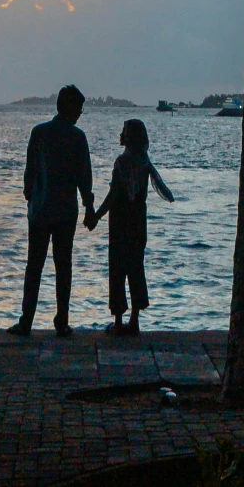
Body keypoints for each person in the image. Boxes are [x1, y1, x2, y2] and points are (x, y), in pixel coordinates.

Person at [10, 84, 93, 339]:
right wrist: (89, 206)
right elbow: (84, 177)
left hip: (40, 210)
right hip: (65, 212)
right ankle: (62, 321)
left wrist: (29, 195)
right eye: (79, 108)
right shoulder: (77, 137)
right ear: (69, 108)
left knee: (33, 266)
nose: (80, 113)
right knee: (63, 266)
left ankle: (26, 321)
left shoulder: (39, 133)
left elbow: (30, 170)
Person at [87, 117, 174, 337]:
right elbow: (161, 189)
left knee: (117, 269)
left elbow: (113, 195)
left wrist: (96, 215)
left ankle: (118, 321)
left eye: (124, 131)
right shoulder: (145, 161)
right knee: (136, 267)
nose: (120, 135)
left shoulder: (121, 162)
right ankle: (134, 319)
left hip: (120, 222)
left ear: (129, 137)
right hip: (138, 220)